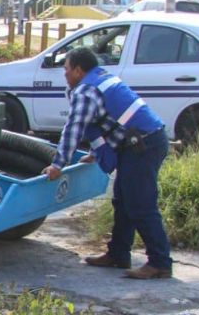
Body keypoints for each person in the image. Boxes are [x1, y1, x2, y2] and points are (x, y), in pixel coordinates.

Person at [42, 47, 172, 279]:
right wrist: (95, 152)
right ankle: (119, 254)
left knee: (141, 205)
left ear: (79, 71)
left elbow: (73, 129)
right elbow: (107, 121)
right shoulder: (100, 77)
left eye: (67, 70)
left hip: (143, 146)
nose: (65, 75)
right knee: (122, 200)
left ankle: (160, 263)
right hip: (141, 142)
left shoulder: (85, 91)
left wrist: (57, 165)